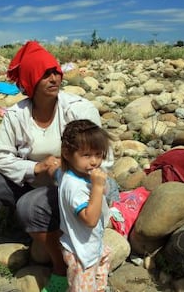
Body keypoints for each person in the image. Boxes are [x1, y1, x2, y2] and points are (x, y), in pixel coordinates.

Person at [0, 40, 117, 292]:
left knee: (29, 205)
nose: (54, 78)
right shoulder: (17, 114)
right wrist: (36, 169)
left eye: (55, 71)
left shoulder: (79, 109)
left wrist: (63, 171)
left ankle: (60, 267)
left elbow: (103, 158)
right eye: (45, 74)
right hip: (34, 179)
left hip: (71, 186)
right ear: (31, 80)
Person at [54, 119, 112, 292]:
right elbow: (90, 219)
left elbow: (56, 171)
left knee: (99, 283)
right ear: (67, 153)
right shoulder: (75, 187)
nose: (94, 162)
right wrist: (98, 186)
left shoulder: (69, 172)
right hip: (81, 254)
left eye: (99, 154)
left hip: (92, 246)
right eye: (86, 155)